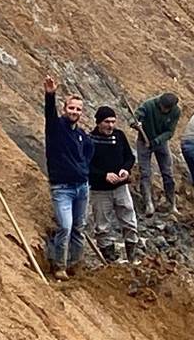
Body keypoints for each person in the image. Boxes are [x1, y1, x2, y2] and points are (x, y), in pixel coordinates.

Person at [43, 75, 93, 280]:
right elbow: (49, 113)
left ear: (82, 113)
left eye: (78, 109)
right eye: (71, 108)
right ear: (65, 109)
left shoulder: (82, 135)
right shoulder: (56, 128)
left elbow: (89, 153)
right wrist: (50, 94)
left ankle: (75, 264)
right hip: (62, 188)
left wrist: (82, 169)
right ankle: (59, 266)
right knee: (65, 226)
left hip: (82, 187)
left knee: (79, 228)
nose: (74, 112)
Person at [88, 106, 141, 264]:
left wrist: (125, 169)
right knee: (102, 226)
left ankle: (133, 256)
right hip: (100, 190)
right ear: (98, 122)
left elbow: (129, 157)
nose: (110, 125)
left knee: (129, 220)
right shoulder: (89, 140)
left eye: (113, 122)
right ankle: (110, 260)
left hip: (121, 187)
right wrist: (103, 175)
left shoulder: (119, 136)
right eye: (106, 122)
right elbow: (85, 164)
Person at [132, 92, 181, 216]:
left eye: (166, 109)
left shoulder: (176, 112)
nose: (163, 110)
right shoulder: (149, 105)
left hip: (161, 142)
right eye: (162, 107)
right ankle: (148, 204)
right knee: (145, 173)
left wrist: (156, 141)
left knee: (167, 172)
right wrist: (135, 123)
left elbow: (170, 132)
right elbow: (137, 116)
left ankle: (171, 204)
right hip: (144, 142)